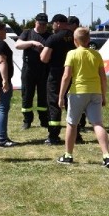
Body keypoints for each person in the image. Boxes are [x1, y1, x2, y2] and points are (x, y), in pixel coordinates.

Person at [57, 26, 109, 167]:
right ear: (89, 40)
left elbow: (66, 76)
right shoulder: (96, 54)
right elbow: (103, 77)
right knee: (98, 124)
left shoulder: (72, 54)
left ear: (75, 40)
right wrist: (104, 95)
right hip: (95, 92)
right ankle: (106, 156)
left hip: (78, 92)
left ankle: (68, 155)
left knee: (72, 123)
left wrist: (60, 96)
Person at [40, 14, 75, 145]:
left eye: (53, 23)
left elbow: (44, 58)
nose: (52, 26)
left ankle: (53, 135)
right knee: (73, 103)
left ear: (58, 23)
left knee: (54, 103)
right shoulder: (75, 37)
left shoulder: (53, 38)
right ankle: (76, 134)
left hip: (56, 74)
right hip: (73, 73)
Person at [15, 13, 52, 130]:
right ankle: (27, 120)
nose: (42, 26)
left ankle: (44, 120)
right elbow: (18, 45)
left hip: (43, 70)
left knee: (43, 96)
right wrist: (32, 43)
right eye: (40, 24)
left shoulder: (49, 36)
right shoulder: (28, 33)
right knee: (27, 95)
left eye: (45, 24)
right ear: (35, 22)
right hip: (29, 69)